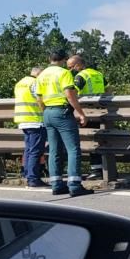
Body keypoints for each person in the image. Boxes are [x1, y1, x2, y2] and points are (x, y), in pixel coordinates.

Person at [35, 51, 93, 197]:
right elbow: (69, 94)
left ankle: (57, 185)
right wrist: (80, 113)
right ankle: (74, 185)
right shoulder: (64, 73)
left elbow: (39, 98)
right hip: (62, 112)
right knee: (73, 149)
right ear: (64, 60)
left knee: (54, 150)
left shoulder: (41, 75)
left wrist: (46, 112)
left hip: (48, 113)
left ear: (50, 59)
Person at [67, 54, 107, 180]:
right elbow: (108, 89)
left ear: (78, 65)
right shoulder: (98, 73)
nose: (69, 70)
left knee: (90, 140)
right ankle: (102, 167)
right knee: (100, 139)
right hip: (101, 111)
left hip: (87, 111)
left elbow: (72, 93)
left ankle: (96, 169)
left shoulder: (80, 76)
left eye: (71, 67)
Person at [14, 67, 47, 188]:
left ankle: (27, 174)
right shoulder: (36, 83)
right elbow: (40, 99)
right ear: (39, 74)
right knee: (36, 151)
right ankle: (33, 178)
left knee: (29, 149)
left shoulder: (20, 83)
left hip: (23, 120)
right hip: (35, 120)